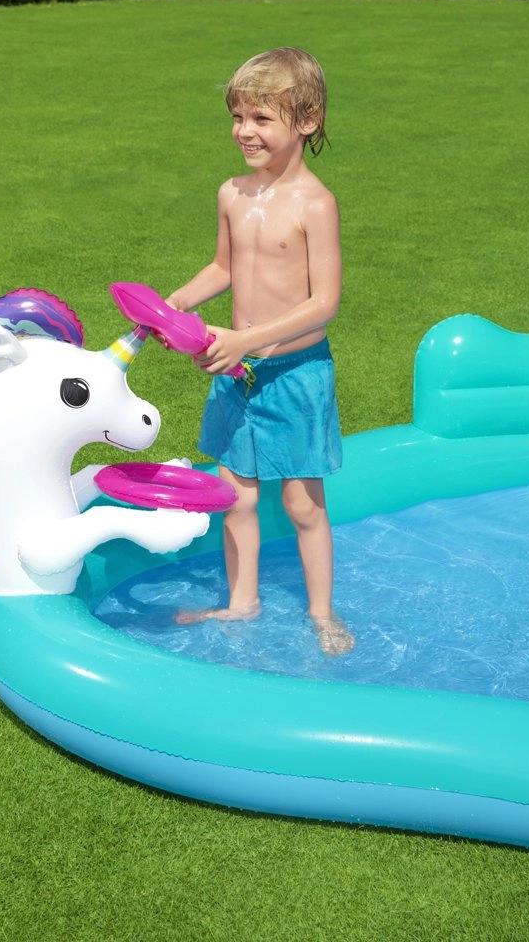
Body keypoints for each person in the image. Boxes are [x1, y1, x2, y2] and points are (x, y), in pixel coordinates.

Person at [164, 47, 354, 655]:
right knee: (236, 496)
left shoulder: (315, 204)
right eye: (238, 117)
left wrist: (246, 338)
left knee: (302, 504)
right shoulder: (233, 193)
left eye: (261, 118)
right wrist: (176, 303)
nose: (244, 131)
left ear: (308, 120)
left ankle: (322, 613)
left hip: (295, 372)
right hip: (238, 369)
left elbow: (325, 302)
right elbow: (224, 266)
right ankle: (242, 601)